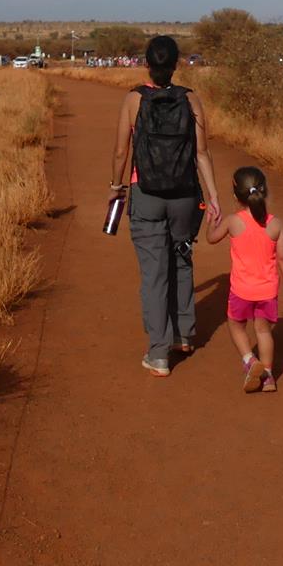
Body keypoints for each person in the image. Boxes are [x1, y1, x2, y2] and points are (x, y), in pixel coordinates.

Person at [109, 35, 221, 377]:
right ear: (175, 65)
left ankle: (159, 353)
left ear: (147, 64)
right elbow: (201, 153)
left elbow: (120, 153)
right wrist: (214, 196)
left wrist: (117, 188)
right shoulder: (191, 99)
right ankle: (184, 334)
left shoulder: (133, 99)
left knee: (155, 274)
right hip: (186, 195)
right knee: (182, 259)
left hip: (146, 195)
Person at [203, 165, 283, 392]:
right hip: (267, 291)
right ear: (264, 191)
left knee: (236, 325)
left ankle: (250, 360)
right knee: (263, 331)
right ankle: (268, 377)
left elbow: (211, 239)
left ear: (235, 196)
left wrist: (211, 220)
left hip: (241, 291)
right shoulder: (276, 224)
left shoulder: (233, 221)